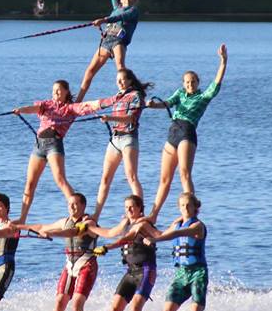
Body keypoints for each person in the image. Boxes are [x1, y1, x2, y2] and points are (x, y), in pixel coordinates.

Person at [147, 44, 227, 223]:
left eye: (193, 82)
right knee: (164, 179)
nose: (190, 84)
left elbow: (216, 84)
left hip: (187, 132)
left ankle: (191, 212)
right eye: (187, 82)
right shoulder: (180, 94)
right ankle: (153, 215)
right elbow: (167, 103)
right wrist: (153, 106)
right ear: (183, 83)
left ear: (198, 83)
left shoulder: (203, 97)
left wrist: (223, 61)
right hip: (172, 132)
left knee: (184, 172)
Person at [12, 80, 104, 223]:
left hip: (54, 144)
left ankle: (80, 214)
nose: (55, 93)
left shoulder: (70, 109)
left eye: (59, 90)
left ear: (66, 92)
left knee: (60, 179)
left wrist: (105, 103)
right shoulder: (46, 104)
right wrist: (21, 110)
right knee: (30, 183)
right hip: (39, 145)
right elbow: (33, 108)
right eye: (54, 90)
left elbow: (89, 106)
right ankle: (22, 218)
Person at [14, 192, 99, 311]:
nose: (71, 207)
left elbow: (71, 232)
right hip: (70, 265)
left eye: (75, 204)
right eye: (69, 204)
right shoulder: (64, 221)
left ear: (83, 206)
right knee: (60, 302)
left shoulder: (89, 223)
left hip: (86, 264)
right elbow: (42, 226)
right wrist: (19, 226)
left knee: (77, 303)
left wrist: (52, 234)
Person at [136, 193, 208, 311]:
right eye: (182, 205)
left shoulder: (197, 226)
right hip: (181, 273)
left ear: (196, 207)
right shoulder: (177, 224)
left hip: (198, 272)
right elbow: (160, 234)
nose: (185, 208)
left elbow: (176, 234)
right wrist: (144, 225)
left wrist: (156, 241)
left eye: (188, 205)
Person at [86, 194, 159, 311]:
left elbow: (124, 240)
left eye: (132, 207)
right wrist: (91, 227)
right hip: (130, 272)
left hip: (146, 270)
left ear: (140, 208)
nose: (129, 210)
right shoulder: (125, 223)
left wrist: (107, 247)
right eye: (126, 207)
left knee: (135, 309)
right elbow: (110, 233)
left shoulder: (144, 224)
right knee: (115, 309)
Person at [92, 69, 153, 222]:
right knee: (105, 178)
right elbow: (101, 103)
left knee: (131, 177)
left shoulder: (136, 96)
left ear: (130, 81)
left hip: (128, 139)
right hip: (114, 139)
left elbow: (131, 118)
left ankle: (140, 214)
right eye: (117, 80)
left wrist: (109, 117)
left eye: (122, 80)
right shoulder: (118, 96)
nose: (119, 83)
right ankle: (96, 215)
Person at [75, 0, 139, 103]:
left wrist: (103, 20)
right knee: (89, 71)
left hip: (118, 42)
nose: (127, 0)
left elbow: (120, 17)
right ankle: (77, 102)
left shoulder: (133, 11)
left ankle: (126, 94)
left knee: (120, 68)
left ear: (134, 0)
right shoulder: (116, 8)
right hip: (106, 42)